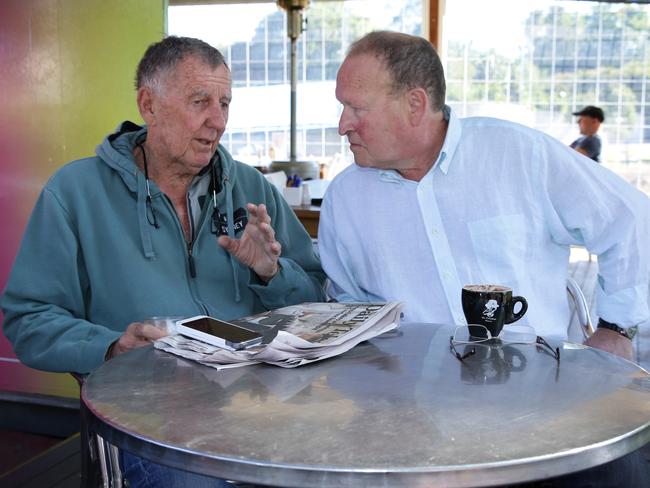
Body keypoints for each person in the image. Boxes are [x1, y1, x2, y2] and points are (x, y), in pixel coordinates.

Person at [319, 31, 650, 488]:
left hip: (547, 412)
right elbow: (351, 316)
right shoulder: (345, 200)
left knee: (629, 470)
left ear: (415, 104)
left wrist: (617, 329)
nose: (342, 125)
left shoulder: (516, 154)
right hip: (412, 433)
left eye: (357, 108)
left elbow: (631, 219)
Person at [2, 36, 325, 487]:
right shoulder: (75, 193)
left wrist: (270, 272)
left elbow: (318, 299)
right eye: (200, 101)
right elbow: (28, 318)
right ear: (148, 105)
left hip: (262, 410)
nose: (218, 121)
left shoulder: (250, 188)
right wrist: (111, 348)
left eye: (225, 103)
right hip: (144, 424)